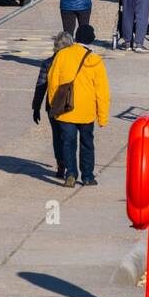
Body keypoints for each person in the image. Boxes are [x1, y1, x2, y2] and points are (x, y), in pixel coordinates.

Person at [46, 24, 109, 188]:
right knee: (87, 143)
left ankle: (71, 174)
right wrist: (102, 117)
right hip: (87, 111)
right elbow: (102, 92)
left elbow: (52, 80)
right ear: (91, 41)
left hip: (66, 109)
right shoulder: (95, 60)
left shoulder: (62, 55)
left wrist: (54, 104)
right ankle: (87, 176)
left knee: (68, 142)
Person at [32, 31, 75, 179]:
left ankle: (61, 165)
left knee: (57, 136)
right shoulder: (74, 63)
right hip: (70, 104)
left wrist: (36, 107)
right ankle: (71, 166)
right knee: (68, 137)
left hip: (53, 105)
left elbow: (40, 86)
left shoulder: (48, 63)